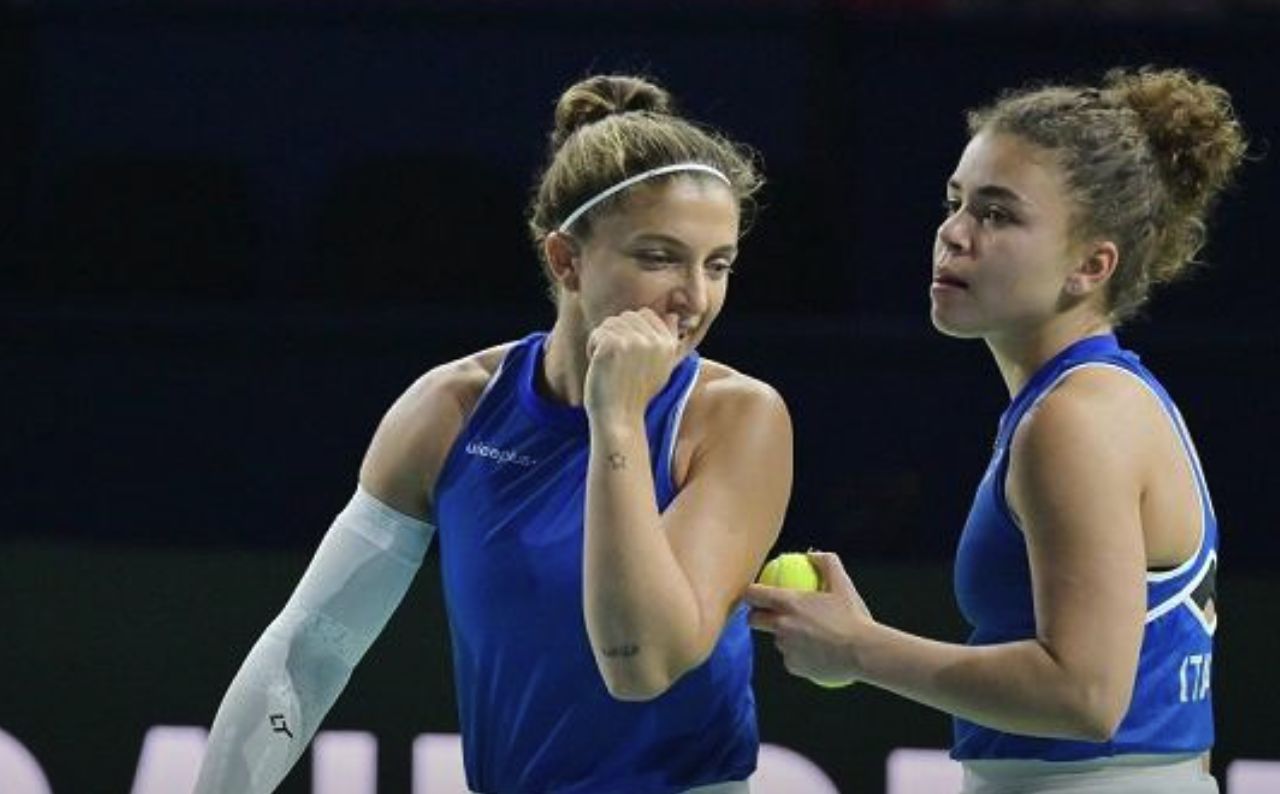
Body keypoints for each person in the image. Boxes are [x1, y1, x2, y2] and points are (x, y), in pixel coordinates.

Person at [194, 74, 793, 794]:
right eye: (659, 257)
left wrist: (617, 419)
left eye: (717, 264)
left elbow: (642, 664)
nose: (694, 298)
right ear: (565, 261)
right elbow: (308, 654)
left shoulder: (736, 418)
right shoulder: (448, 411)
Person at [746, 66, 1245, 793]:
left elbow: (1083, 695)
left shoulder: (1076, 420)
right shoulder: (1092, 401)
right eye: (955, 203)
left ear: (1090, 265)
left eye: (998, 214)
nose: (953, 234)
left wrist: (859, 649)